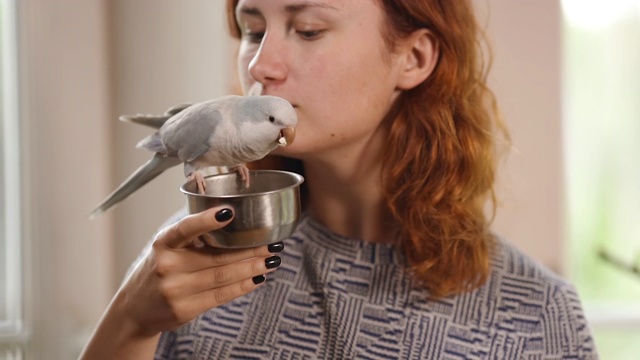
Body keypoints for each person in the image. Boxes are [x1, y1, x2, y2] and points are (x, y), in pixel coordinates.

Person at [81, 0, 598, 358]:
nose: (261, 65)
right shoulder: (191, 262)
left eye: (308, 29)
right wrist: (131, 320)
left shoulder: (537, 313)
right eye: (252, 30)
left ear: (413, 58)